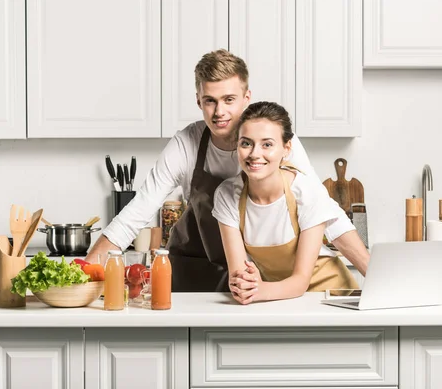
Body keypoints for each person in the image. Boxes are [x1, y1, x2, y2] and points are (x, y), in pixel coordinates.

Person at [86, 49, 369, 292]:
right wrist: (86, 272)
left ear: (246, 97)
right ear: (198, 101)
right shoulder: (186, 144)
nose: (219, 111)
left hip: (258, 272)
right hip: (197, 263)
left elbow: (324, 210)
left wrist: (374, 275)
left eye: (229, 99)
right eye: (210, 100)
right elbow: (138, 210)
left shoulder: (276, 142)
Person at [212, 101, 368, 304]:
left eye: (267, 144)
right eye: (246, 143)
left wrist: (257, 291)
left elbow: (300, 282)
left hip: (332, 296)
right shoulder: (227, 195)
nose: (254, 154)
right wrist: (244, 286)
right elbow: (240, 274)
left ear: (286, 149)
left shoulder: (306, 192)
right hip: (280, 299)